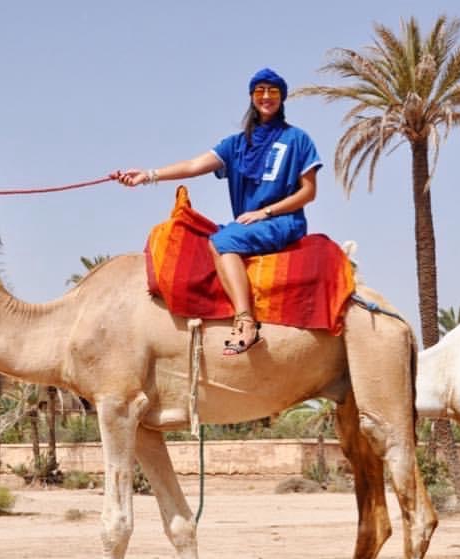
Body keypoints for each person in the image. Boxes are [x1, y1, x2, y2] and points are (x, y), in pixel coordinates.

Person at [119, 68, 322, 355]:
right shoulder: (236, 145)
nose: (266, 97)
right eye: (260, 91)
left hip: (282, 221)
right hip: (248, 224)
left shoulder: (298, 139)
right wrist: (148, 175)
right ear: (252, 97)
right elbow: (192, 166)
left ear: (282, 98)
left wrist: (266, 212)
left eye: (273, 91)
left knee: (223, 241)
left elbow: (308, 192)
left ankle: (246, 322)